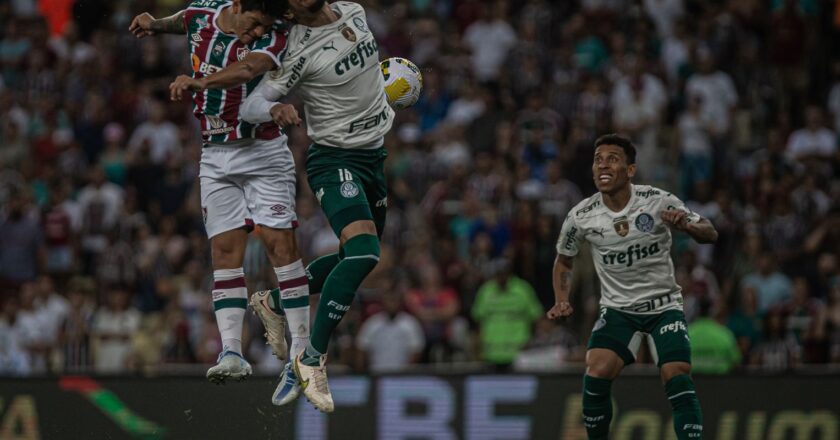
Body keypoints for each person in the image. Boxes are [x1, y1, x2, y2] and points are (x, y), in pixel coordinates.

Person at [129, 0, 311, 404]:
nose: (255, 34)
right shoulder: (203, 13)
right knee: (225, 250)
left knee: (280, 247)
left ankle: (301, 354)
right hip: (215, 153)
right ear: (240, 6)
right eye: (253, 25)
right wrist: (155, 24)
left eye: (263, 28)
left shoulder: (275, 33)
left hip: (262, 152)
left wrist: (200, 83)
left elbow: (248, 70)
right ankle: (232, 351)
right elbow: (185, 21)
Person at [241, 0, 396, 413]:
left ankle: (273, 302)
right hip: (335, 159)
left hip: (373, 158)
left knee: (354, 257)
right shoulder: (294, 51)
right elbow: (249, 105)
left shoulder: (353, 9)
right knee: (366, 253)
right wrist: (273, 107)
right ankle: (310, 358)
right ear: (287, 9)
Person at [549, 134, 718, 440]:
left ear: (629, 170)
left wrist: (687, 225)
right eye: (598, 159)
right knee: (596, 370)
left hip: (663, 306)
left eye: (612, 159)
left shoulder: (658, 200)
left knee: (675, 371)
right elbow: (564, 260)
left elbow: (710, 232)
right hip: (618, 310)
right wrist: (561, 299)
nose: (603, 165)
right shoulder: (581, 215)